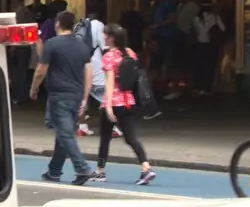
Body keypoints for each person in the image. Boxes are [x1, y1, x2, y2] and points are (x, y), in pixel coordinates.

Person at [29, 10, 93, 185]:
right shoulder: (81, 45)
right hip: (77, 94)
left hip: (59, 95)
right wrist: (85, 97)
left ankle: (82, 168)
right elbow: (89, 72)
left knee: (65, 134)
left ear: (57, 24)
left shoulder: (52, 44)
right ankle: (54, 170)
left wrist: (34, 88)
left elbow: (41, 69)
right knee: (63, 135)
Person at [95, 25, 156, 186]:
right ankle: (146, 167)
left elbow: (109, 82)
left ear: (112, 37)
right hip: (128, 100)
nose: (104, 38)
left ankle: (100, 171)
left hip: (113, 101)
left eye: (106, 35)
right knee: (131, 137)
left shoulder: (109, 56)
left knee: (105, 139)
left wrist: (107, 105)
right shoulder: (130, 53)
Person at [188, 1, 223, 94]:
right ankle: (208, 87)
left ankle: (198, 87)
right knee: (210, 67)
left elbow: (197, 31)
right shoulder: (215, 16)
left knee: (199, 66)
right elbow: (223, 28)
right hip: (212, 44)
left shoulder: (196, 18)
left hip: (200, 43)